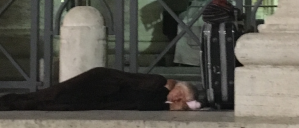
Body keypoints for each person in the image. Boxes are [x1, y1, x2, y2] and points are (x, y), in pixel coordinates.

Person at [0, 67, 201, 111]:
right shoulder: (158, 83)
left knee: (53, 101)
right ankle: (6, 102)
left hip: (101, 91)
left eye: (180, 99)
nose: (177, 98)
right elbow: (136, 95)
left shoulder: (160, 95)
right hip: (98, 84)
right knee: (50, 96)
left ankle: (9, 103)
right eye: (180, 94)